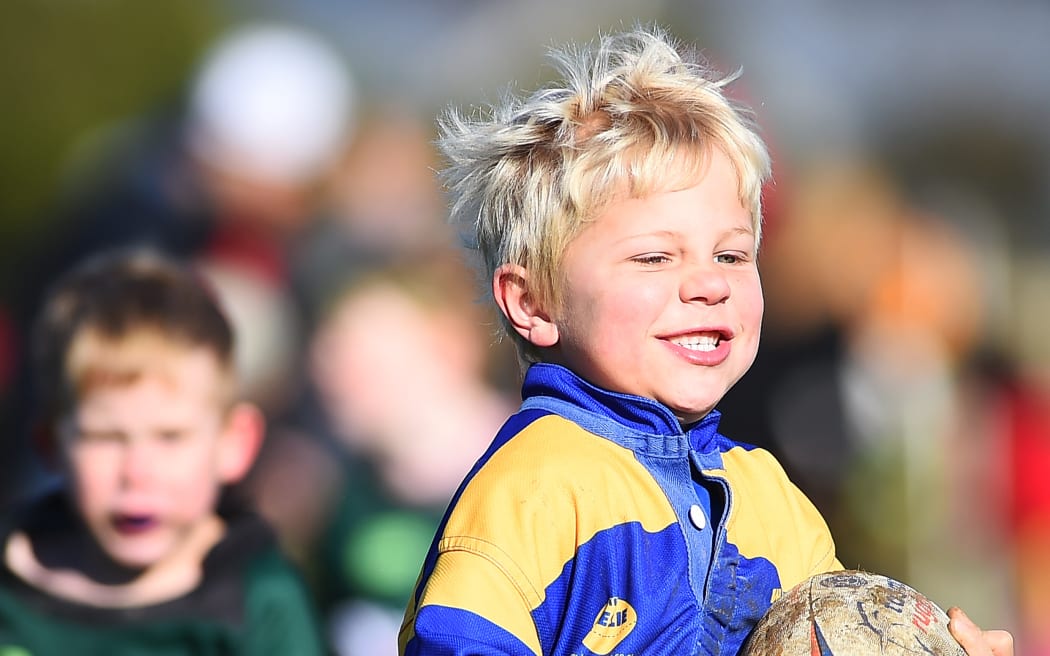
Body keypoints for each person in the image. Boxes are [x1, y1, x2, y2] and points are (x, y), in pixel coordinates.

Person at [398, 25, 1014, 656]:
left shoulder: (772, 500)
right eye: (655, 258)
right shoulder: (535, 490)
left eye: (731, 254)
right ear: (532, 302)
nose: (708, 284)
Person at [0, 250, 326, 655]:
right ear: (50, 443)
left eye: (171, 437)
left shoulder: (260, 602)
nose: (138, 472)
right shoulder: (11, 591)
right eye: (105, 437)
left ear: (233, 444)